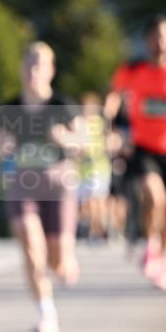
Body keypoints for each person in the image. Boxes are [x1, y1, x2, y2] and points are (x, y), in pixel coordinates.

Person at [0, 42, 80, 332]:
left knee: (56, 261)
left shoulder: (62, 106)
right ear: (21, 67)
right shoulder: (9, 109)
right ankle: (45, 310)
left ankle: (64, 259)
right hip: (23, 186)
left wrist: (66, 139)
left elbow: (85, 143)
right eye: (29, 62)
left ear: (51, 70)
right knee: (30, 243)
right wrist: (0, 149)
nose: (33, 69)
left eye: (40, 64)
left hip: (58, 187)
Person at [106, 16, 166, 290]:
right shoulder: (133, 69)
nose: (163, 42)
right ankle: (149, 245)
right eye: (157, 36)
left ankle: (161, 260)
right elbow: (114, 96)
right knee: (155, 196)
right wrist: (110, 122)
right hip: (143, 146)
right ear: (148, 39)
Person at [77, 93, 112, 241]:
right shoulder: (79, 123)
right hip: (84, 169)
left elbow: (108, 140)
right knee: (88, 201)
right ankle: (95, 228)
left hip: (100, 167)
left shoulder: (100, 123)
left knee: (99, 200)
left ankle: (100, 228)